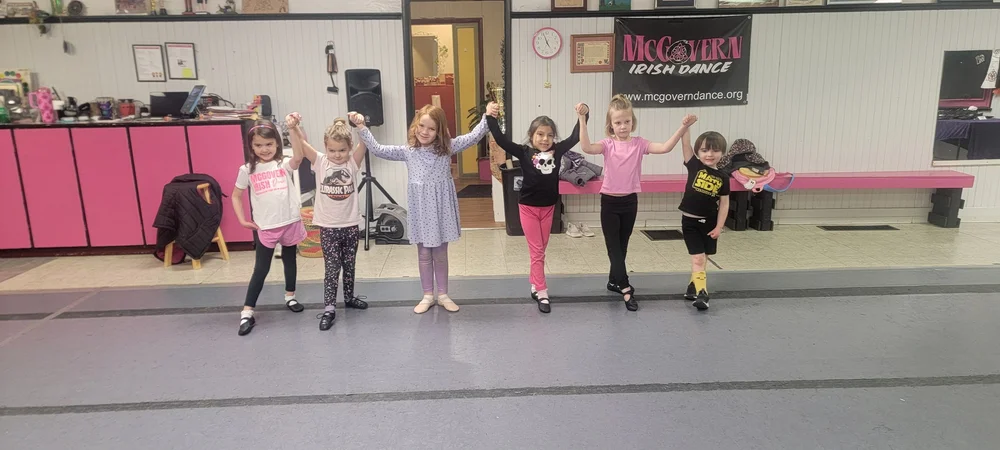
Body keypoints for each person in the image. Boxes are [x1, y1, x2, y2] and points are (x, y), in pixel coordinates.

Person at [350, 102, 498, 313]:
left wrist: (487, 116)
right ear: (415, 126)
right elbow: (378, 149)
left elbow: (473, 136)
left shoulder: (447, 148)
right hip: (421, 209)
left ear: (439, 131)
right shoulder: (408, 151)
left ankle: (444, 294)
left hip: (440, 208)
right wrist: (362, 127)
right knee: (423, 254)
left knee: (440, 253)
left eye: (431, 128)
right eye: (421, 126)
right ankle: (428, 294)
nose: (425, 132)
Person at [578, 95, 696, 311]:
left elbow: (665, 147)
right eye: (618, 122)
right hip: (610, 203)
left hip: (630, 202)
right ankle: (625, 288)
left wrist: (683, 127)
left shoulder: (639, 144)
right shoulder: (608, 144)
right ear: (610, 125)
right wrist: (582, 119)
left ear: (632, 121)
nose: (623, 126)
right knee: (613, 248)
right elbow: (586, 147)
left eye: (627, 121)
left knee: (622, 247)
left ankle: (613, 281)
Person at [485, 103, 588, 313]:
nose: (544, 139)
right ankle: (541, 291)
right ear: (531, 135)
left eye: (549, 135)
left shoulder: (557, 150)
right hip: (528, 208)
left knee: (541, 249)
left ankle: (534, 282)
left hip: (549, 208)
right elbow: (502, 139)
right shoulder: (524, 152)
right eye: (540, 134)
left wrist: (584, 114)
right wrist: (490, 116)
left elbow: (576, 136)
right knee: (537, 251)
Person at [286, 113, 369, 331]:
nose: (337, 155)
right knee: (332, 269)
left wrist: (361, 124)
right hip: (329, 228)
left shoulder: (353, 161)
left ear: (349, 148)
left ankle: (349, 298)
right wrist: (293, 126)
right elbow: (302, 145)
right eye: (332, 150)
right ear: (325, 147)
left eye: (342, 150)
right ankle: (329, 308)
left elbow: (365, 142)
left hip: (350, 225)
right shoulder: (320, 161)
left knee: (349, 265)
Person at [232, 120, 307, 336]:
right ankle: (247, 311)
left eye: (269, 144)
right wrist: (242, 220)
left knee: (290, 260)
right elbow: (236, 196)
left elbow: (299, 156)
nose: (264, 149)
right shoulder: (246, 170)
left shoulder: (282, 163)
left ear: (277, 144)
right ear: (251, 147)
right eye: (258, 145)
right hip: (266, 226)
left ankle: (290, 296)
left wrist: (292, 128)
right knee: (261, 269)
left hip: (290, 221)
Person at [679, 124, 730, 311]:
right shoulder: (694, 166)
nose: (710, 154)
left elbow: (724, 203)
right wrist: (686, 126)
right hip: (690, 222)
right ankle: (703, 294)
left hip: (709, 223)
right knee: (698, 259)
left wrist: (719, 226)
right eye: (705, 150)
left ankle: (693, 287)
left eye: (715, 150)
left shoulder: (723, 177)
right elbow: (685, 144)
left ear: (722, 153)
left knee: (704, 258)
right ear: (698, 152)